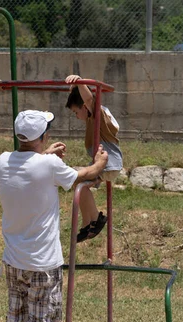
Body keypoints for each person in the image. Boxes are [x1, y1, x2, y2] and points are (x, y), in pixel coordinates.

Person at [0, 110, 108, 322]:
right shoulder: (48, 165)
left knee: (16, 315)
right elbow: (86, 175)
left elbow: (28, 162)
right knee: (40, 318)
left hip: (13, 258)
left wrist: (44, 153)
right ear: (43, 136)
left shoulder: (3, 160)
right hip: (43, 261)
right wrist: (100, 162)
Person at [65, 74, 123, 243]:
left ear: (84, 107)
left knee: (78, 181)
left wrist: (80, 81)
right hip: (107, 164)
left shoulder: (97, 115)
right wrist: (74, 89)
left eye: (76, 112)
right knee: (79, 183)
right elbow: (86, 100)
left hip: (108, 164)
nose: (76, 116)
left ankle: (94, 219)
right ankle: (90, 221)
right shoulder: (95, 120)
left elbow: (90, 100)